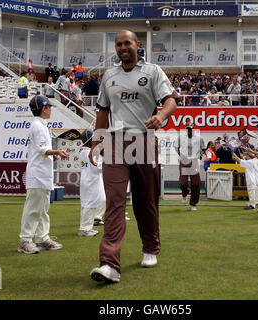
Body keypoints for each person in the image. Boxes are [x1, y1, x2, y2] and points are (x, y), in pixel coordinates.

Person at [89, 30, 178, 283]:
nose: (122, 47)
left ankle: (150, 247)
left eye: (127, 43)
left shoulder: (152, 71)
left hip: (144, 140)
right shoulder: (109, 76)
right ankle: (109, 264)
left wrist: (161, 117)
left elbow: (170, 100)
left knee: (145, 200)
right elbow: (103, 112)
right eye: (118, 44)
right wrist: (96, 142)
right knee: (114, 202)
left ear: (138, 45)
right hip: (115, 142)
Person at [18, 95, 69, 254]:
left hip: (43, 173)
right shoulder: (38, 126)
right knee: (33, 208)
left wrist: (55, 152)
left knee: (43, 208)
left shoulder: (41, 125)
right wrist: (57, 151)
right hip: (38, 173)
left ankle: (42, 238)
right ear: (43, 108)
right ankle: (25, 240)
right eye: (49, 107)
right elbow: (43, 150)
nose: (50, 109)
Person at [78, 130, 105, 237]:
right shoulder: (90, 152)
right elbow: (97, 167)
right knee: (89, 204)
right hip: (91, 180)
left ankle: (86, 227)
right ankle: (85, 229)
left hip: (88, 180)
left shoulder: (83, 152)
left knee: (93, 202)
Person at [175, 120, 204, 212]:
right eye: (187, 129)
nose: (189, 130)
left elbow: (203, 148)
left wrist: (200, 154)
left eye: (191, 129)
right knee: (183, 183)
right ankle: (185, 193)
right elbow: (176, 147)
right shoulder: (181, 137)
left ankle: (192, 204)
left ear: (193, 129)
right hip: (184, 160)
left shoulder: (199, 138)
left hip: (194, 160)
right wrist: (181, 155)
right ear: (185, 129)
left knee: (196, 183)